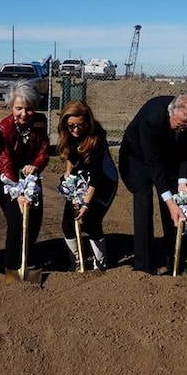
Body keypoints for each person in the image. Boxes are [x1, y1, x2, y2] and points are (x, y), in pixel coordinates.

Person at [119, 93, 187, 274]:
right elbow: (153, 163)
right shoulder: (152, 117)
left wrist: (182, 181)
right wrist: (169, 201)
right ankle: (144, 266)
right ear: (170, 113)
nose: (182, 130)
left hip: (169, 156)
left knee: (175, 209)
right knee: (144, 202)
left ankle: (175, 261)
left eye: (186, 126)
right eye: (179, 125)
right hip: (137, 156)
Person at [57, 100, 118, 271]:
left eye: (80, 125)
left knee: (91, 220)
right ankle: (77, 263)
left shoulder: (96, 139)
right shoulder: (66, 131)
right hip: (79, 178)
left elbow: (96, 178)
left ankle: (101, 264)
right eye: (71, 126)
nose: (75, 130)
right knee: (68, 222)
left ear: (87, 123)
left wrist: (85, 204)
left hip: (104, 182)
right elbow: (70, 153)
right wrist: (68, 174)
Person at [0, 79, 49, 275]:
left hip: (31, 175)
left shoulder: (39, 122)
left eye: (29, 108)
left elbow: (44, 150)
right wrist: (18, 192)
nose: (24, 113)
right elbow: (4, 161)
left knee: (35, 218)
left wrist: (35, 166)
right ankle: (11, 266)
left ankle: (27, 259)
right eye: (19, 108)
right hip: (8, 178)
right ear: (11, 106)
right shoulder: (4, 128)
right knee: (17, 221)